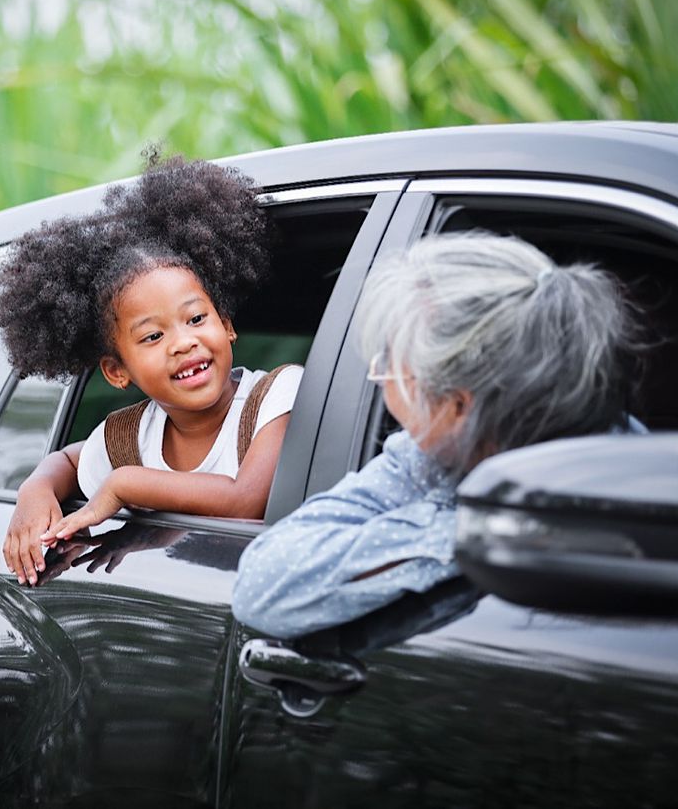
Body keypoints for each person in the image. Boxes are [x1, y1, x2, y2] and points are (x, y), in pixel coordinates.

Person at [232, 232, 641, 638]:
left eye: (391, 364)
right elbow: (262, 584)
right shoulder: (430, 457)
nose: (381, 382)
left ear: (457, 406)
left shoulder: (624, 488)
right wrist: (483, 533)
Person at [0, 152, 303, 585]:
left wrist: (123, 487)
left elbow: (243, 502)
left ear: (227, 325)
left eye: (196, 319)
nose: (183, 342)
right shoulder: (129, 437)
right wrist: (34, 491)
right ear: (117, 370)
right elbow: (66, 460)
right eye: (153, 337)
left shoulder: (277, 397)